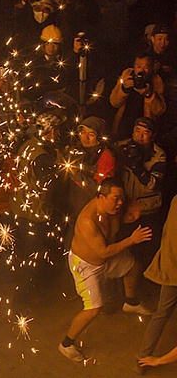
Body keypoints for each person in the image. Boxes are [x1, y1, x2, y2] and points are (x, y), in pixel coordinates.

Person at [59, 177, 153, 362]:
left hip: (108, 257)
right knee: (94, 308)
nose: (120, 203)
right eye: (115, 199)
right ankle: (66, 343)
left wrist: (130, 217)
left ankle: (130, 302)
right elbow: (102, 251)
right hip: (86, 266)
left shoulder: (113, 210)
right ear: (101, 197)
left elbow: (113, 232)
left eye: (121, 199)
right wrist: (132, 240)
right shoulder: (88, 220)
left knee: (134, 266)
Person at [10, 111, 64, 305]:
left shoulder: (28, 145)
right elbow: (49, 189)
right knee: (32, 261)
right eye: (57, 130)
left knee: (24, 257)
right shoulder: (42, 157)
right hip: (36, 214)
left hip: (20, 209)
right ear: (52, 131)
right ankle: (21, 303)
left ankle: (20, 295)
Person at [117, 117, 167, 269]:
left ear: (152, 136)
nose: (140, 136)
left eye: (145, 133)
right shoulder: (121, 147)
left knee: (145, 252)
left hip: (147, 210)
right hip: (125, 207)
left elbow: (153, 184)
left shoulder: (158, 155)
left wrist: (137, 167)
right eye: (137, 131)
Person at [137, 194, 177, 372]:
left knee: (161, 313)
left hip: (171, 270)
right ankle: (145, 359)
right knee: (162, 313)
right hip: (172, 270)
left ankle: (142, 358)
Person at [62, 116, 116, 246]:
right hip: (71, 212)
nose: (85, 137)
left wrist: (75, 173)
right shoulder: (76, 151)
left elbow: (99, 191)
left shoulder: (106, 157)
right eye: (83, 132)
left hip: (90, 218)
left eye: (91, 134)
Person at [110, 52, 166, 139]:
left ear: (151, 68)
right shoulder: (127, 75)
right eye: (138, 67)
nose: (141, 71)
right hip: (123, 126)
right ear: (134, 66)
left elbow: (159, 110)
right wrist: (124, 89)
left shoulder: (156, 81)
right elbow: (114, 102)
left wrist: (149, 94)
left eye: (146, 67)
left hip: (144, 129)